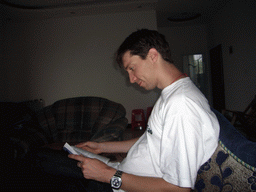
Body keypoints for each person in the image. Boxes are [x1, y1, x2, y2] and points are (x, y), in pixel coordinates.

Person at [69, 29, 220, 192]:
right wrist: (102, 147)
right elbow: (153, 139)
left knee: (48, 166)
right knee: (54, 161)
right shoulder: (171, 95)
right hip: (119, 173)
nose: (131, 79)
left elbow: (178, 189)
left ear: (153, 55)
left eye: (132, 68)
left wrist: (107, 175)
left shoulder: (181, 104)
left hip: (118, 185)